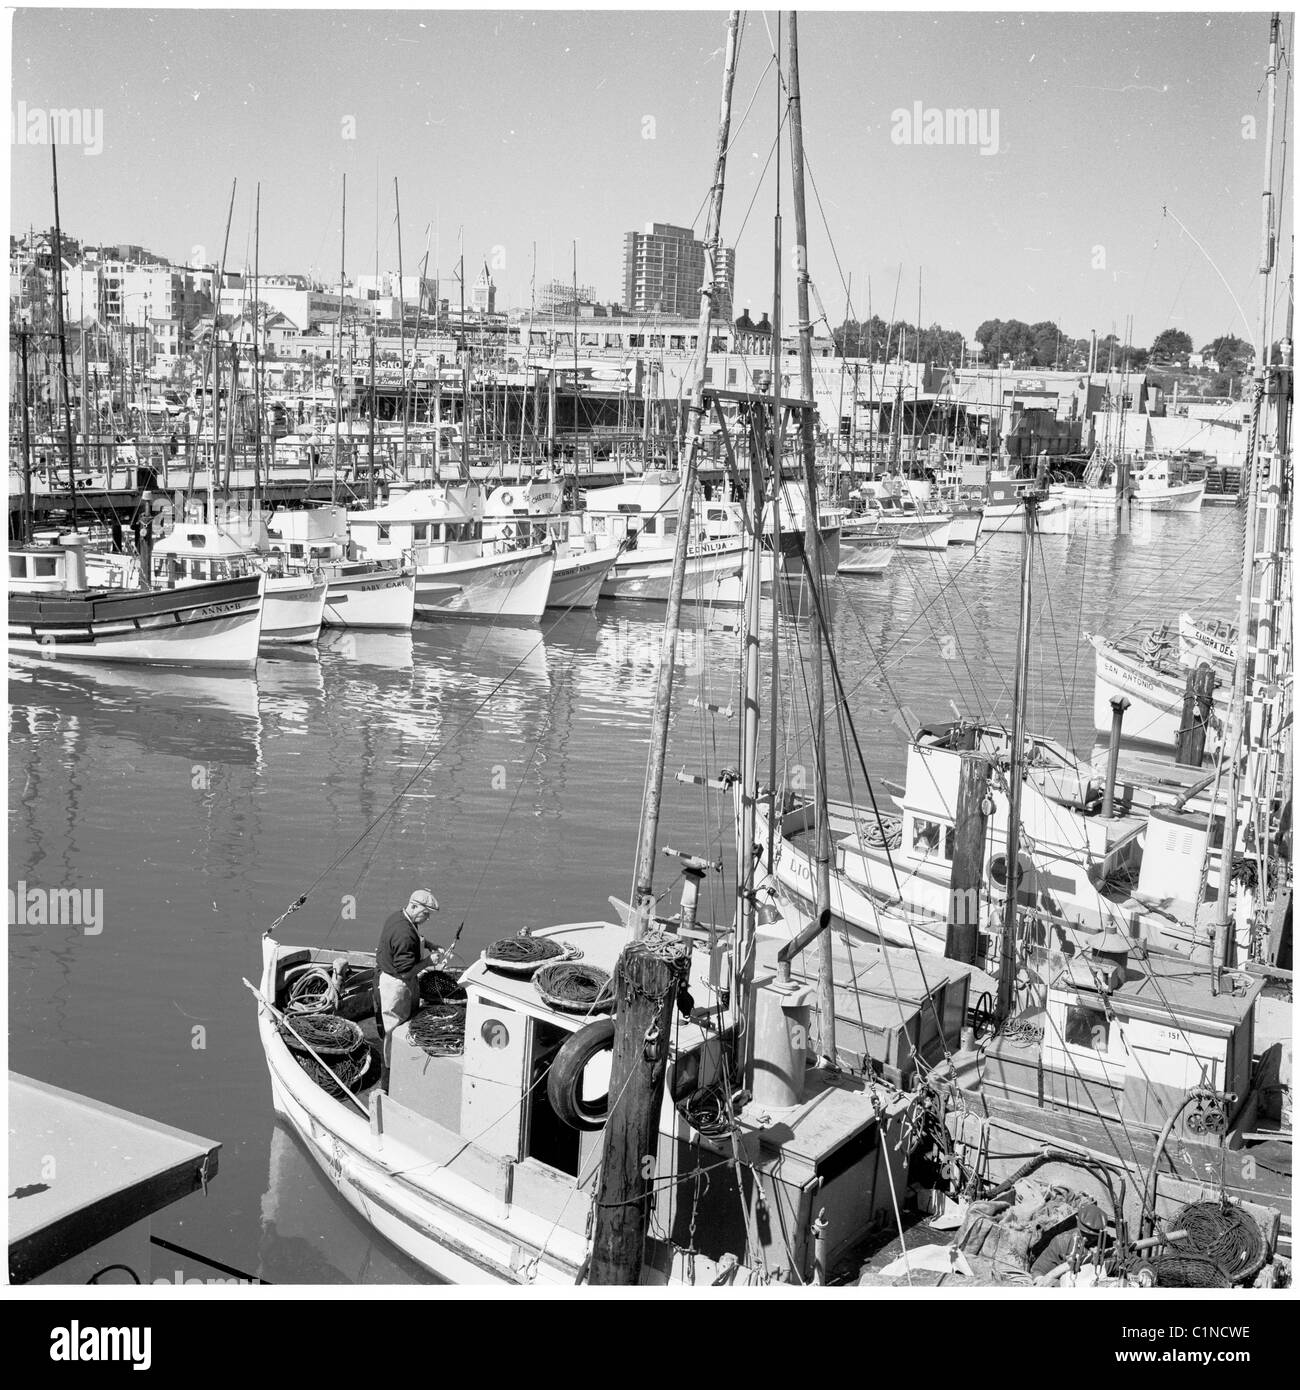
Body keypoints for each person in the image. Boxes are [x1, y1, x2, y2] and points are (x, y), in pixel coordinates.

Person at [376, 888, 439, 1069]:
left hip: (397, 975)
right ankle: (391, 1067)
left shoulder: (400, 916)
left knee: (405, 1021)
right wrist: (428, 961)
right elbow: (405, 972)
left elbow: (415, 937)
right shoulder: (403, 934)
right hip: (396, 985)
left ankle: (398, 1059)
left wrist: (430, 944)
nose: (428, 918)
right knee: (395, 1027)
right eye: (426, 914)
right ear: (414, 906)